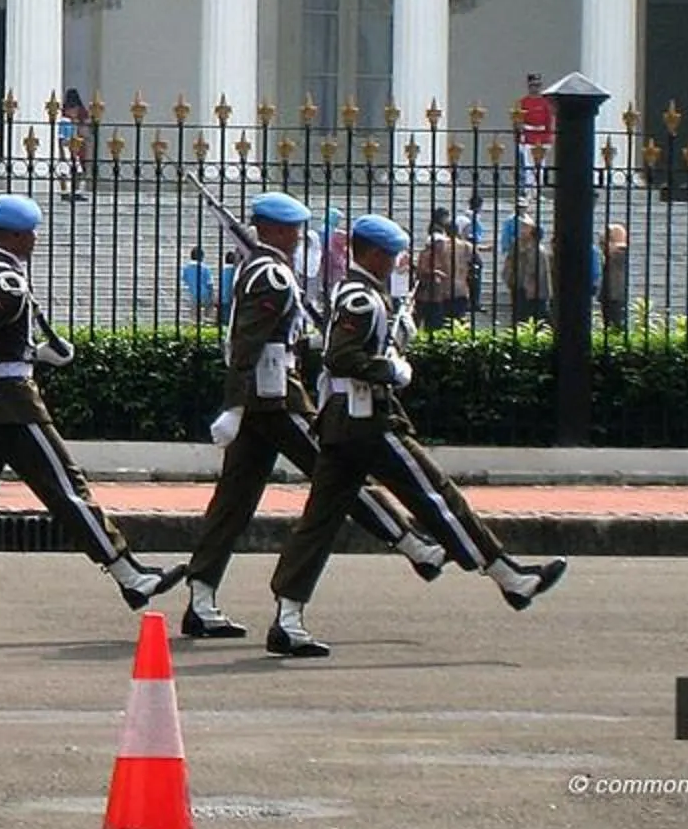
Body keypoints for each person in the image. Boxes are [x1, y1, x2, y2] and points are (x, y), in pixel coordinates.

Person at [260, 214, 567, 657]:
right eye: (389, 255)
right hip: (366, 421)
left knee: (320, 521)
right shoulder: (361, 298)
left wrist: (394, 342)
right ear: (371, 254)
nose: (395, 262)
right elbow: (340, 356)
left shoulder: (362, 294)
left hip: (342, 424)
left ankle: (288, 618)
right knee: (437, 496)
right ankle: (508, 576)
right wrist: (390, 368)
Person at [0, 193, 180, 638]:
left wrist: (40, 353)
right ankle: (130, 576)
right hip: (12, 405)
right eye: (29, 231)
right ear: (9, 234)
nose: (36, 238)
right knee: (68, 488)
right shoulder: (5, 283)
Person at [175, 193, 453, 640]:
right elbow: (248, 343)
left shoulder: (261, 269)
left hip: (263, 398)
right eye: (295, 228)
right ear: (277, 230)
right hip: (277, 398)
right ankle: (410, 543)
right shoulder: (271, 274)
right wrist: (233, 404)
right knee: (336, 476)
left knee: (234, 502)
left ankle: (202, 598)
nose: (300, 235)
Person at [415, 210, 474, 331]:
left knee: (443, 326)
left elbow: (425, 264)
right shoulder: (467, 247)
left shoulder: (440, 245)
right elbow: (473, 264)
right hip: (462, 289)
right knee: (458, 325)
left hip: (445, 290)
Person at [504, 214, 552, 327]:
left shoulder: (538, 251)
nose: (521, 231)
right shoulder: (521, 247)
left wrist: (529, 287)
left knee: (533, 319)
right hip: (521, 288)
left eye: (524, 228)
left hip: (533, 292)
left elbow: (536, 272)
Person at [515, 73, 555, 195]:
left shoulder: (546, 102)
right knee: (528, 166)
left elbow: (549, 120)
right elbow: (518, 120)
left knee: (540, 166)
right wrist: (520, 136)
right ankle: (528, 191)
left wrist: (549, 137)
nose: (535, 88)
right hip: (528, 136)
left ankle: (537, 191)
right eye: (533, 85)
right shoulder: (523, 102)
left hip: (542, 137)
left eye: (538, 85)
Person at [56, 88, 91, 202]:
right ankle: (65, 192)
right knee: (65, 172)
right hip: (68, 149)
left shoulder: (72, 122)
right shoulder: (65, 122)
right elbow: (62, 139)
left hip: (74, 148)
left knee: (78, 171)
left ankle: (76, 191)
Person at [598, 221, 632, 332]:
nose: (601, 246)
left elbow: (616, 250)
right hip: (609, 294)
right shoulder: (611, 255)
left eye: (603, 242)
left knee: (616, 323)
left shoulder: (620, 253)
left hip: (615, 295)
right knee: (609, 323)